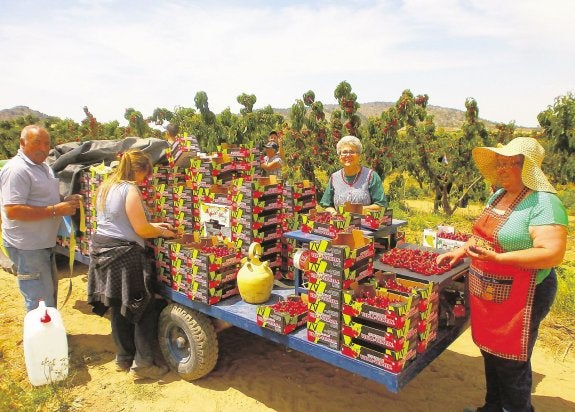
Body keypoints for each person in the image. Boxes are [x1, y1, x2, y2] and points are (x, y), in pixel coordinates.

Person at [436, 137, 568, 412]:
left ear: (529, 167)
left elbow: (552, 253)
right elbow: (481, 235)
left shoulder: (543, 202)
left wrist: (500, 258)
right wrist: (461, 251)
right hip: (490, 290)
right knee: (491, 351)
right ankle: (492, 407)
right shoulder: (498, 195)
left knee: (512, 361)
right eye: (500, 163)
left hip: (524, 293)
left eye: (512, 163)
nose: (503, 169)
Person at [87, 149, 176, 380]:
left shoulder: (106, 186)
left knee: (118, 305)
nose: (145, 180)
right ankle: (143, 364)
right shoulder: (130, 189)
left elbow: (120, 221)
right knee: (142, 307)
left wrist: (156, 223)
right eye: (145, 175)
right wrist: (161, 231)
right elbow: (141, 229)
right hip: (124, 255)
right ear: (138, 170)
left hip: (102, 251)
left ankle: (123, 358)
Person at [0, 125, 82, 312]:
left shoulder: (42, 166)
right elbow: (13, 210)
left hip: (42, 243)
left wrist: (64, 201)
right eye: (37, 143)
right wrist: (55, 210)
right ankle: (42, 338)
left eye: (47, 143)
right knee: (38, 299)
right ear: (22, 143)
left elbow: (42, 198)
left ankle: (50, 334)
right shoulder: (17, 170)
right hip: (27, 247)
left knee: (48, 291)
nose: (44, 148)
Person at [319, 135, 387, 214]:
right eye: (344, 152)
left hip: (366, 224)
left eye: (352, 152)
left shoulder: (371, 176)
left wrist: (356, 209)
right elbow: (326, 204)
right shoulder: (334, 177)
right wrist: (333, 212)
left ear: (359, 156)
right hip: (340, 224)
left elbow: (381, 205)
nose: (348, 155)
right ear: (339, 156)